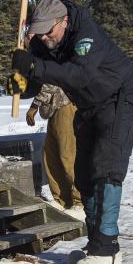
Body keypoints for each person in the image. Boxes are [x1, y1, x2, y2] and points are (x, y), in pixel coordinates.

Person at [8, 0, 133, 264]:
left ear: (64, 22)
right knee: (83, 173)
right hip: (89, 104)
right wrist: (22, 80)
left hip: (121, 96)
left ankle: (104, 249)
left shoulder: (86, 32)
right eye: (40, 32)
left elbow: (78, 74)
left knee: (106, 167)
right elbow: (36, 77)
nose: (45, 37)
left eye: (50, 31)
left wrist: (36, 67)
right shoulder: (41, 40)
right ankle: (100, 244)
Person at [26, 84, 84, 220]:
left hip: (66, 103)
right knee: (51, 156)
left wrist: (34, 106)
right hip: (54, 109)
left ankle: (80, 202)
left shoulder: (53, 62)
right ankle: (62, 199)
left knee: (68, 154)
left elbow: (50, 83)